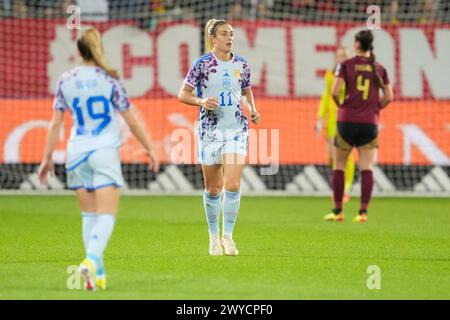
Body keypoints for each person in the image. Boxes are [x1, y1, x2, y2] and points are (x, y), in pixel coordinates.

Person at [38, 27, 159, 290]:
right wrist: (149, 147)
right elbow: (131, 120)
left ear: (78, 51)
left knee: (88, 215)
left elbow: (55, 124)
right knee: (106, 214)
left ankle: (97, 276)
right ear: (98, 48)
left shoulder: (65, 79)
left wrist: (47, 158)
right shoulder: (111, 79)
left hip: (76, 153)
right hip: (103, 152)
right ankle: (91, 260)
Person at [177, 18, 260, 256]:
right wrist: (201, 101)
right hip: (209, 131)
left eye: (231, 33)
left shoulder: (241, 64)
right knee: (213, 189)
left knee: (232, 184)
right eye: (224, 34)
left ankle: (228, 237)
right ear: (213, 38)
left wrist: (252, 109)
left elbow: (246, 91)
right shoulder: (202, 64)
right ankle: (213, 237)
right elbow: (183, 93)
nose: (229, 37)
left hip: (236, 129)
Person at [324, 29, 393, 223]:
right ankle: (362, 213)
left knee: (339, 165)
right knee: (367, 167)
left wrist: (342, 107)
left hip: (346, 121)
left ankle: (338, 211)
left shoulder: (345, 65)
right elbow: (389, 96)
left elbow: (335, 92)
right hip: (369, 123)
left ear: (356, 45)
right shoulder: (379, 68)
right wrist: (375, 108)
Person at [316, 47, 355, 203]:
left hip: (348, 118)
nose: (340, 58)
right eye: (338, 56)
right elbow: (326, 96)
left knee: (346, 154)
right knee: (332, 156)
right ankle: (338, 186)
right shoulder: (330, 74)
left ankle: (346, 188)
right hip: (332, 120)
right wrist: (320, 118)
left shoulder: (352, 74)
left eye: (343, 56)